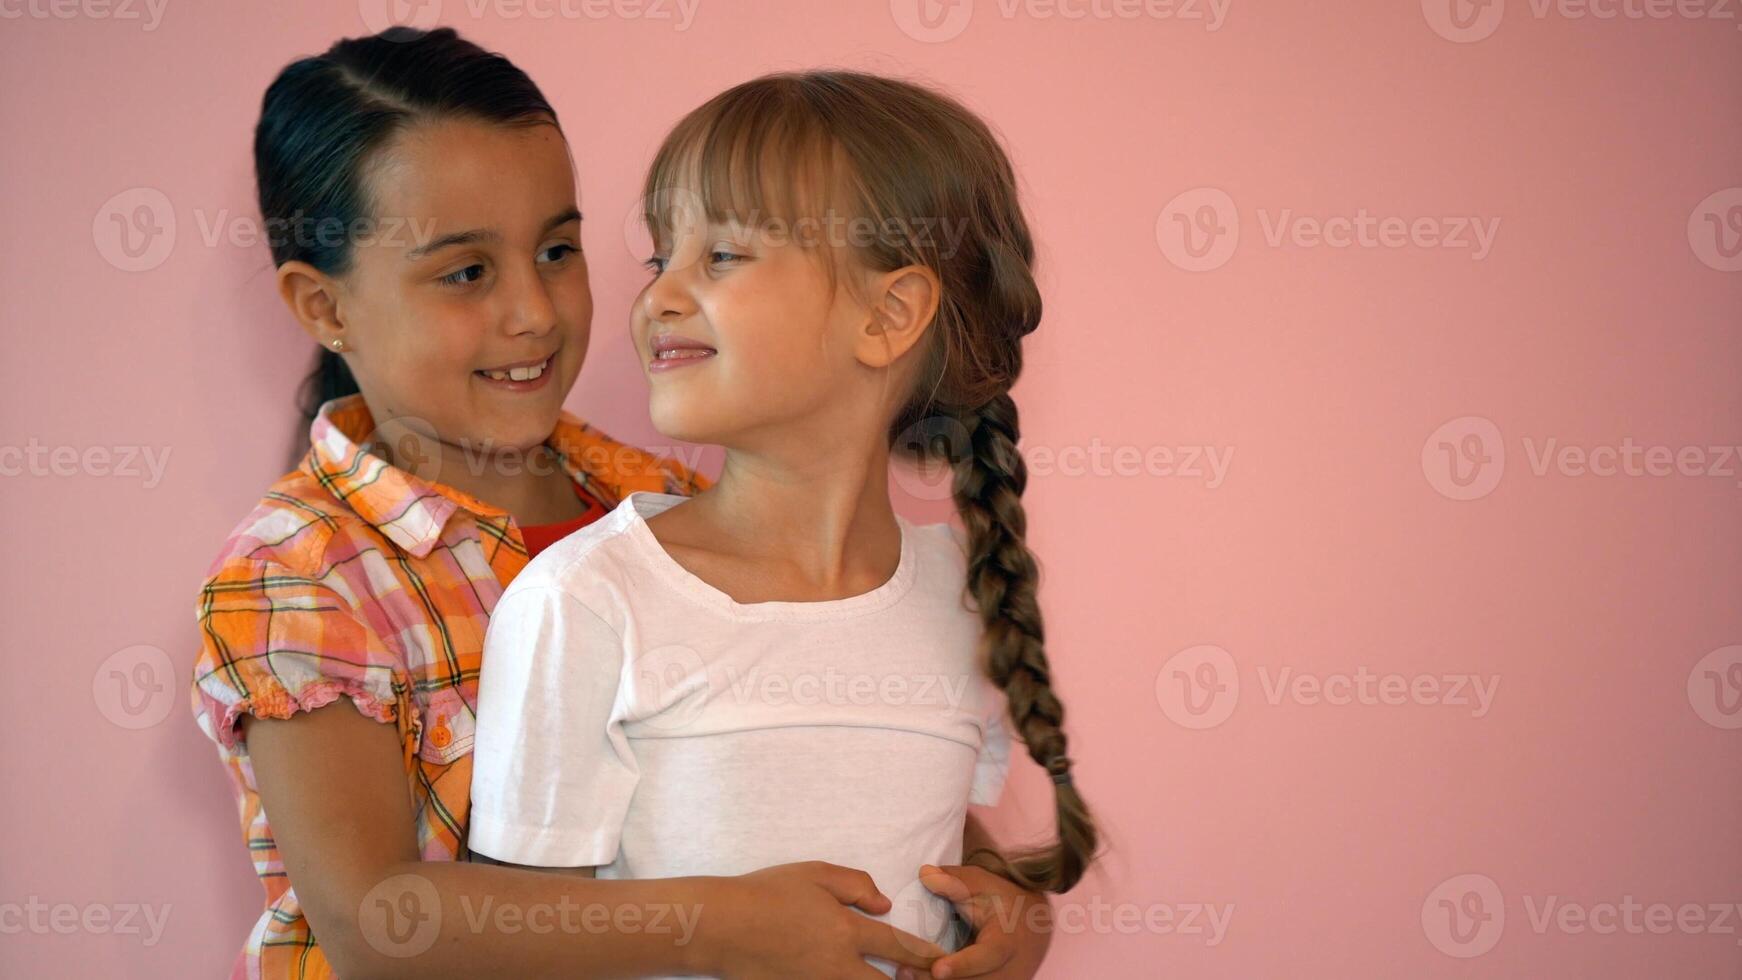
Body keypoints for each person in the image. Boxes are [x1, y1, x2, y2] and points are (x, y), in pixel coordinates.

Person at [189, 28, 1050, 979]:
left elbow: (855, 787)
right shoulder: (295, 577)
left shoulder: (672, 504)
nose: (535, 312)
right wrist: (720, 926)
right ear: (324, 307)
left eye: (558, 249)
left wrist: (995, 897)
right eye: (466, 272)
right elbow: (371, 921)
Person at [468, 69, 1098, 979]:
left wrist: (1015, 917)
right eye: (659, 259)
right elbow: (506, 928)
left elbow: (935, 831)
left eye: (720, 256)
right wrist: (715, 926)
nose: (659, 299)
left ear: (888, 315)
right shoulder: (590, 601)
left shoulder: (961, 595)